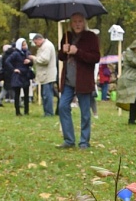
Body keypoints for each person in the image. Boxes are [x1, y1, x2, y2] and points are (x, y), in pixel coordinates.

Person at [57, 12, 100, 149]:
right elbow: (61, 57)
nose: (77, 24)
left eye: (80, 21)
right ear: (70, 23)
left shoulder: (91, 37)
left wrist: (78, 52)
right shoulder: (67, 36)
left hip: (83, 80)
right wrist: (63, 51)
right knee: (63, 106)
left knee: (85, 112)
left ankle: (84, 141)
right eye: (74, 21)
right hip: (68, 80)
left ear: (84, 23)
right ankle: (69, 140)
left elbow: (95, 58)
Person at [117, 40, 136, 125]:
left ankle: (132, 119)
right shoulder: (129, 53)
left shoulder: (132, 53)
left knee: (134, 100)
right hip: (131, 80)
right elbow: (135, 62)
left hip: (134, 80)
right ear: (135, 48)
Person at [28, 33, 57, 116]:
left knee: (47, 95)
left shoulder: (46, 46)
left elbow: (45, 60)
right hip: (45, 74)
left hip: (47, 74)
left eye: (36, 43)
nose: (36, 45)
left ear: (39, 39)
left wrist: (34, 58)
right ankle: (47, 111)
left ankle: (49, 112)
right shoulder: (44, 46)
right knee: (45, 94)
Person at [5, 38, 32, 116]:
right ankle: (18, 112)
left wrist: (29, 62)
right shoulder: (15, 53)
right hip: (18, 75)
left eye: (25, 44)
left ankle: (26, 111)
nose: (25, 46)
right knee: (17, 94)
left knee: (26, 94)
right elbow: (7, 61)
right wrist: (14, 69)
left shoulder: (27, 53)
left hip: (26, 74)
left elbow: (31, 63)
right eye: (23, 45)